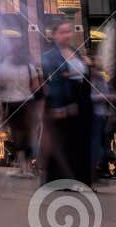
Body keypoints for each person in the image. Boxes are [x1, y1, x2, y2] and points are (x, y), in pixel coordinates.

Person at [39, 20, 93, 186]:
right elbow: (53, 82)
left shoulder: (76, 52)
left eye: (69, 31)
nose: (67, 35)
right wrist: (58, 106)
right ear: (54, 35)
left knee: (79, 142)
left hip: (81, 102)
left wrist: (87, 67)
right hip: (63, 102)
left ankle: (80, 180)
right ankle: (60, 180)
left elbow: (82, 76)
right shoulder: (49, 57)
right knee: (62, 142)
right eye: (62, 32)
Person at [0, 37, 40, 177]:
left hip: (10, 103)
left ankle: (22, 166)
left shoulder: (3, 65)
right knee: (28, 133)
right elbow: (36, 87)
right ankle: (28, 167)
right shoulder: (29, 67)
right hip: (27, 102)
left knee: (16, 133)